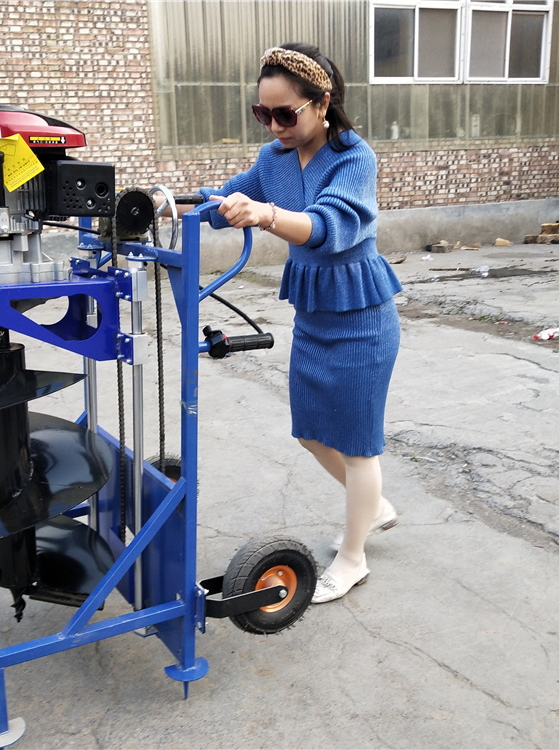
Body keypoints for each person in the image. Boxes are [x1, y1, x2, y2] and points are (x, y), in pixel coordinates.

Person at [186, 43, 403, 603]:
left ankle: (353, 558)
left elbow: (328, 227)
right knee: (309, 432)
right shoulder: (274, 159)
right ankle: (373, 506)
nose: (275, 126)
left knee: (358, 447)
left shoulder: (354, 157)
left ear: (322, 103)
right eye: (264, 113)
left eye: (286, 113)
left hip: (362, 317)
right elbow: (229, 196)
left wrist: (265, 215)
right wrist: (167, 203)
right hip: (314, 315)